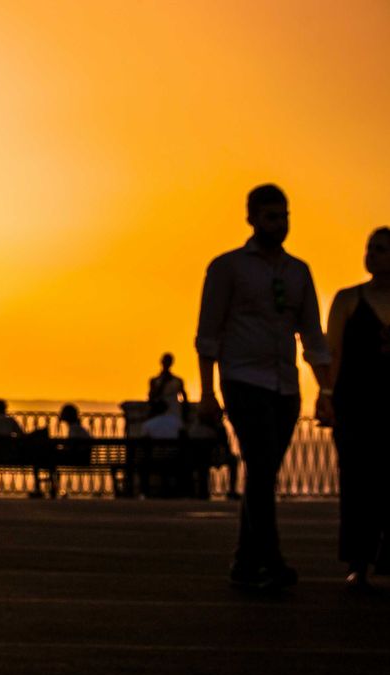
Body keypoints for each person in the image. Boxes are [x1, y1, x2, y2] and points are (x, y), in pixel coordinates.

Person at [195, 184, 332, 591]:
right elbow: (208, 335)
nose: (280, 223)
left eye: (284, 215)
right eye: (272, 216)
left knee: (262, 471)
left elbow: (312, 336)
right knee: (260, 465)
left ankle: (244, 560)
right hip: (243, 380)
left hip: (285, 387)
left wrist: (326, 392)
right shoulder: (227, 268)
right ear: (252, 218)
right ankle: (271, 559)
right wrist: (207, 393)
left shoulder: (298, 272)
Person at [325, 226, 390, 591]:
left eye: (380, 249)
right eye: (370, 248)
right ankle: (358, 561)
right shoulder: (349, 299)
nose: (372, 255)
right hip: (356, 405)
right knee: (356, 483)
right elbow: (332, 351)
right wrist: (326, 394)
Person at [148, 352, 188, 419]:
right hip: (160, 411)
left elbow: (184, 396)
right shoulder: (154, 381)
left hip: (175, 411)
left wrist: (185, 411)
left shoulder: (178, 381)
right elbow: (151, 396)